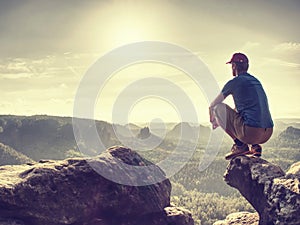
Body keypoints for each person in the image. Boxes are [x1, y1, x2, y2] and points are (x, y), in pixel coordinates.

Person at [209, 53, 273, 160]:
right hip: (267, 133)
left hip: (251, 133)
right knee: (245, 113)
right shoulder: (255, 81)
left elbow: (213, 105)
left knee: (218, 108)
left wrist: (214, 120)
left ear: (234, 66)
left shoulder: (234, 82)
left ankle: (240, 145)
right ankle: (255, 146)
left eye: (231, 66)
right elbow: (245, 109)